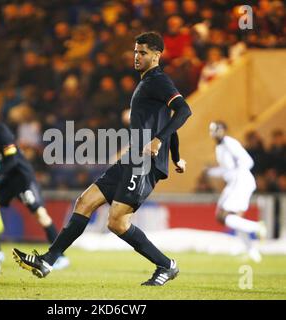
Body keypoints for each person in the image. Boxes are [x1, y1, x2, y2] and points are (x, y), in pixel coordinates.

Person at [13, 31, 192, 286]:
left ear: (157, 55)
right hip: (133, 158)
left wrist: (159, 141)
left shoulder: (158, 81)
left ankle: (166, 265)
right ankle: (48, 260)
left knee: (117, 222)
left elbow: (184, 110)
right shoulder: (147, 83)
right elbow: (168, 120)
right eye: (135, 51)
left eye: (142, 52)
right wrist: (176, 157)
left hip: (145, 163)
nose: (137, 56)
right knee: (85, 201)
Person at [0, 100, 70, 269]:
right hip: (8, 179)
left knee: (41, 215)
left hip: (22, 178)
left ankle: (60, 256)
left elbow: (12, 162)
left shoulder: (2, 132)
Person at [206, 121, 267, 263]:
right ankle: (252, 251)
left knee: (223, 216)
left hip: (240, 181)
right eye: (212, 130)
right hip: (236, 182)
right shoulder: (220, 147)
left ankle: (257, 227)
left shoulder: (229, 143)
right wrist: (210, 172)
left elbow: (248, 161)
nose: (214, 132)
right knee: (231, 218)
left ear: (223, 130)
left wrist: (237, 174)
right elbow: (226, 169)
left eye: (217, 129)